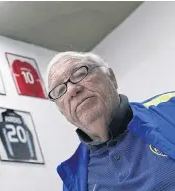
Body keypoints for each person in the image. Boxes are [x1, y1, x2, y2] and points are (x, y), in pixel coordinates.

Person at [46, 51, 175, 191]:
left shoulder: (169, 108)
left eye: (79, 74)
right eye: (60, 91)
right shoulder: (73, 180)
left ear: (111, 77)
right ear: (62, 111)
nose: (71, 90)